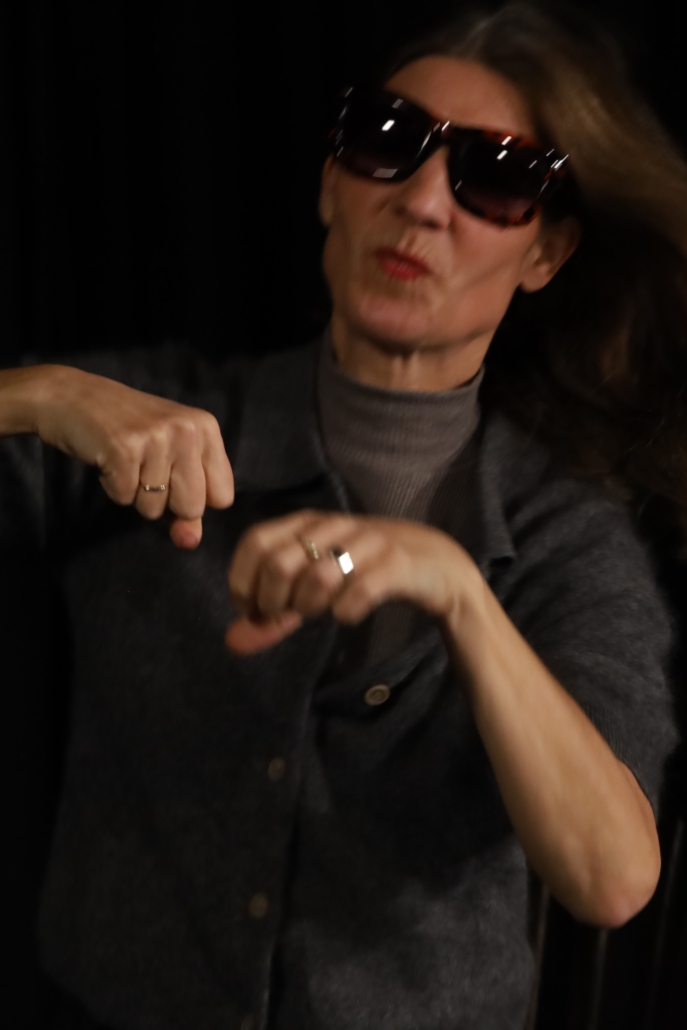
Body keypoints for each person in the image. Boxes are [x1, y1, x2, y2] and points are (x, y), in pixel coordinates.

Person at [1, 2, 683, 1028]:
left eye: (495, 178)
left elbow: (610, 876)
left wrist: (459, 595)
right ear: (331, 182)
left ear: (544, 254)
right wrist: (37, 394)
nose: (423, 201)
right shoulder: (146, 421)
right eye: (386, 141)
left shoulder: (564, 535)